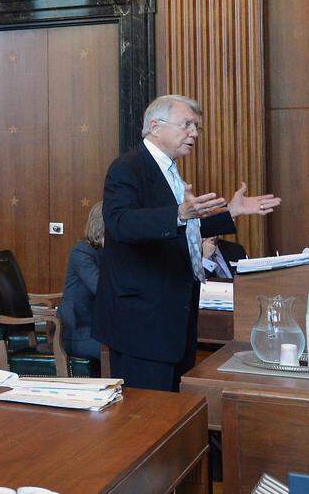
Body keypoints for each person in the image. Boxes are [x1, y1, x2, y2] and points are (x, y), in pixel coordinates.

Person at [94, 94, 281, 391]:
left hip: (173, 315)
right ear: (155, 126)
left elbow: (184, 225)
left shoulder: (168, 169)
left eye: (196, 127)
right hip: (143, 321)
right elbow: (120, 224)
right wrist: (178, 212)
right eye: (187, 124)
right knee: (149, 417)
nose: (194, 133)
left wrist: (231, 212)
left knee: (175, 414)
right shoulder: (128, 167)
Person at [61, 202, 104, 362]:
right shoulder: (82, 252)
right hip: (78, 332)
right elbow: (102, 289)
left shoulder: (102, 252)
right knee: (124, 348)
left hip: (97, 329)